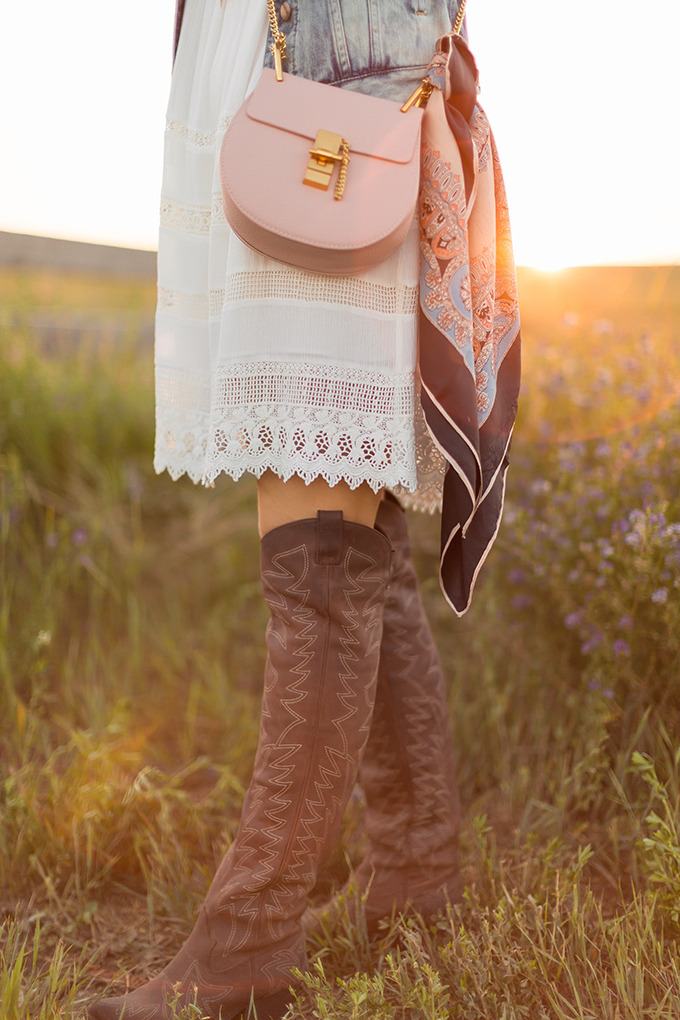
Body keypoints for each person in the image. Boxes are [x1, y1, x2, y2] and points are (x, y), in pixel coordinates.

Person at [86, 0, 503, 1016]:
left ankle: (246, 949)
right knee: (353, 525)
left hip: (333, 115)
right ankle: (414, 877)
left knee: (317, 542)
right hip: (294, 102)